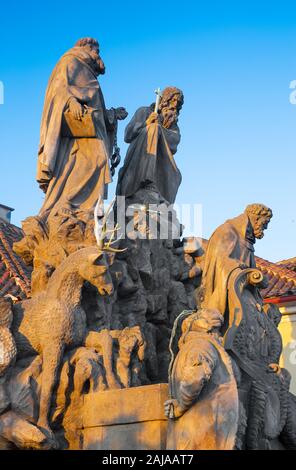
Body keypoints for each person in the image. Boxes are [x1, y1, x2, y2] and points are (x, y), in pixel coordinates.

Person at [37, 37, 127, 218]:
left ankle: (86, 210)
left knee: (96, 162)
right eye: (96, 50)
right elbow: (58, 87)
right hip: (77, 134)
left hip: (93, 130)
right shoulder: (70, 61)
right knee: (88, 162)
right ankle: (67, 204)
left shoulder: (89, 74)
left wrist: (113, 114)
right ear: (85, 48)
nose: (98, 55)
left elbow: (97, 110)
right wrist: (71, 101)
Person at [116, 87, 183, 204]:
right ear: (165, 100)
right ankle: (148, 183)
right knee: (153, 128)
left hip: (162, 161)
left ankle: (159, 192)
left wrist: (163, 128)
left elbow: (174, 143)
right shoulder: (144, 111)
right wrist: (146, 123)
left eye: (178, 103)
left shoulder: (173, 124)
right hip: (139, 154)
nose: (175, 104)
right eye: (173, 100)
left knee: (177, 174)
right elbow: (127, 135)